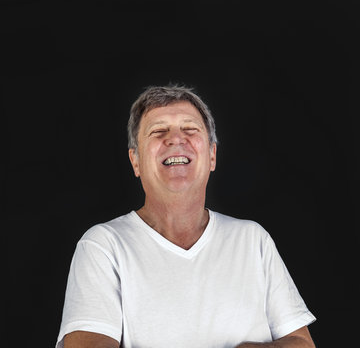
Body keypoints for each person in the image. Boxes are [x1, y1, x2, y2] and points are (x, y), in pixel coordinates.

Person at [56, 85, 316, 348]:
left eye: (190, 129)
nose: (176, 139)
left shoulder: (253, 240)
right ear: (135, 162)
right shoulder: (104, 246)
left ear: (212, 155)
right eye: (158, 131)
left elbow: (302, 343)